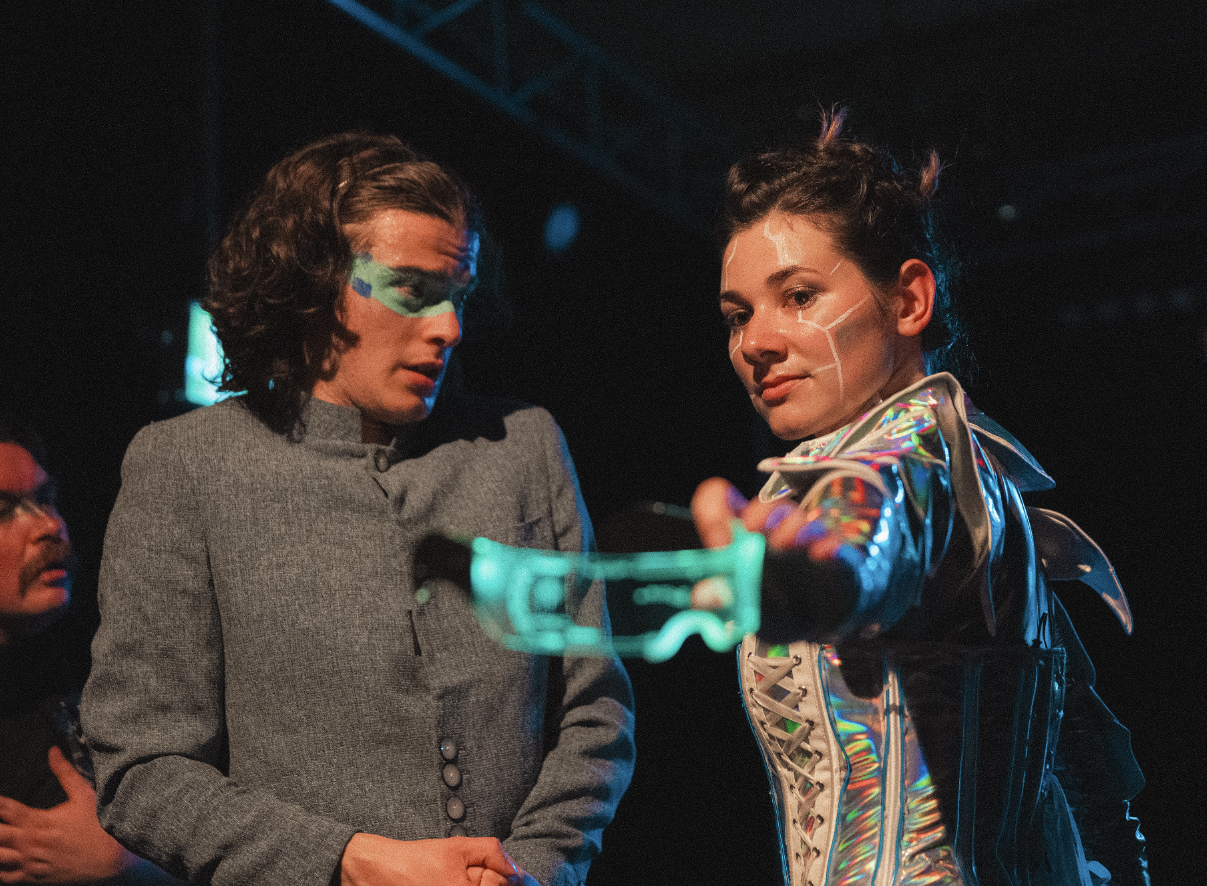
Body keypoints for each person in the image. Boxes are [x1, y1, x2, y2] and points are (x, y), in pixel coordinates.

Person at [81, 133, 634, 886]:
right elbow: (144, 770)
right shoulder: (188, 465)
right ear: (312, 285)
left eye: (458, 295)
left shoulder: (522, 447)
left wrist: (530, 870)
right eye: (412, 290)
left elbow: (594, 713)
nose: (449, 327)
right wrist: (350, 862)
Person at [690, 112, 1148, 886]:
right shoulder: (972, 473)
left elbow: (870, 517)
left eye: (798, 295)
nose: (755, 342)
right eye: (739, 316)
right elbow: (1093, 784)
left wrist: (824, 567)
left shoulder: (914, 462)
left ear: (908, 300)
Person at [0, 414, 176, 884]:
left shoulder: (90, 655)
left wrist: (125, 864)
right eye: (3, 510)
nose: (48, 525)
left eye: (45, 499)